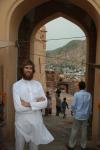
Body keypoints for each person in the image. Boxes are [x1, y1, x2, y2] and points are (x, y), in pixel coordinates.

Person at [12, 59, 54, 150]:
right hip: (21, 124)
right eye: (26, 68)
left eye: (31, 68)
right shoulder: (16, 85)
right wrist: (36, 104)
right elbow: (18, 108)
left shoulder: (37, 84)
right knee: (19, 147)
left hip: (36, 123)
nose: (28, 70)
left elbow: (45, 103)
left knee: (34, 148)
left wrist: (29, 104)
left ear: (33, 70)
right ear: (22, 69)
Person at [67, 81, 92, 150]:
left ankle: (71, 145)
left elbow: (74, 105)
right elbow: (90, 106)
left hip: (78, 115)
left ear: (79, 87)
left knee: (74, 130)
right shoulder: (89, 95)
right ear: (85, 87)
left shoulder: (77, 94)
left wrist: (73, 112)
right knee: (84, 131)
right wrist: (89, 113)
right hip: (85, 116)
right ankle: (83, 146)